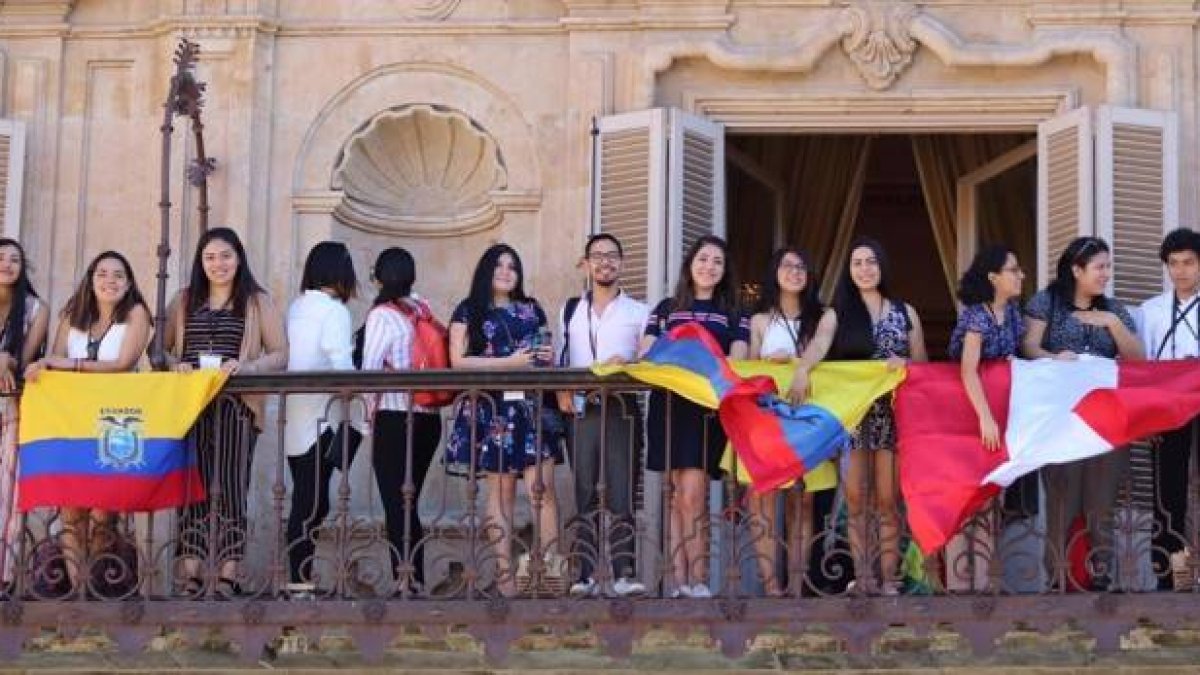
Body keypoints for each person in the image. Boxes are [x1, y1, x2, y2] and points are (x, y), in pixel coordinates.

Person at [787, 237, 928, 596]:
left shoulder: (905, 311)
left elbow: (923, 362)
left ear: (881, 267)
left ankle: (890, 580)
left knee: (887, 501)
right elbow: (818, 346)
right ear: (849, 272)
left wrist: (907, 364)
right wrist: (803, 370)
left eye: (870, 262)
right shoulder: (837, 313)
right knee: (855, 500)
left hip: (893, 416)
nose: (864, 269)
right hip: (852, 416)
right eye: (857, 263)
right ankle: (864, 578)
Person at [165, 226, 287, 597]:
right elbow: (161, 350)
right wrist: (176, 366)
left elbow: (280, 352)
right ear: (201, 263)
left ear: (239, 259)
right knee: (191, 488)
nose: (218, 264)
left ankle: (228, 573)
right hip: (191, 408)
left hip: (237, 407)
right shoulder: (184, 300)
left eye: (226, 256)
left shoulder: (256, 301)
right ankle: (191, 572)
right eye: (210, 257)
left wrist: (246, 368)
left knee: (233, 488)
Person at [25, 251, 151, 594]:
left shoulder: (137, 315)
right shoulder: (73, 314)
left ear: (128, 284)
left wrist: (69, 364)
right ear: (91, 279)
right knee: (70, 512)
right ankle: (75, 592)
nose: (110, 281)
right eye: (102, 274)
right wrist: (44, 367)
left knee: (101, 513)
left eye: (118, 275)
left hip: (116, 424)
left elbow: (123, 364)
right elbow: (54, 358)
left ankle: (93, 588)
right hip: (73, 422)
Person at [1022, 235, 1143, 591]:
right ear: (1077, 270)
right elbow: (1029, 346)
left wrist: (1112, 324)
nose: (1106, 274)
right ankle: (1058, 577)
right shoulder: (1048, 302)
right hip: (1061, 419)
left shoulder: (1114, 310)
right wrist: (1054, 358)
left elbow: (1138, 360)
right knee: (1063, 498)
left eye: (1108, 266)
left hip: (1106, 421)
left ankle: (1102, 575)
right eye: (1099, 267)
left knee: (1101, 500)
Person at [445, 244, 560, 598]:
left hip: (533, 406)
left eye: (513, 266)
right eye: (499, 265)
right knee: (501, 491)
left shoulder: (531, 308)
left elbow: (545, 351)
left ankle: (548, 573)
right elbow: (458, 362)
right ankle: (506, 575)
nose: (507, 271)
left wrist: (544, 356)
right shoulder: (469, 310)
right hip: (492, 410)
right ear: (486, 270)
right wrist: (510, 363)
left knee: (542, 489)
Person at [723, 246, 835, 597]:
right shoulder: (759, 320)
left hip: (810, 422)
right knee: (763, 501)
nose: (795, 271)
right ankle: (772, 588)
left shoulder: (825, 315)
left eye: (802, 266)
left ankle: (797, 587)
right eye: (787, 265)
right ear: (775, 273)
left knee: (801, 503)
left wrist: (799, 366)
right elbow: (750, 370)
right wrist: (767, 364)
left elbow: (821, 345)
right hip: (766, 422)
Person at [642, 235, 748, 599]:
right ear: (690, 264)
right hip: (669, 404)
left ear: (724, 270)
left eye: (717, 262)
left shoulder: (734, 311)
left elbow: (737, 358)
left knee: (694, 494)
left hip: (705, 408)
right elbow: (646, 351)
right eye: (703, 259)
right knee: (673, 495)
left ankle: (699, 581)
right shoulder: (666, 308)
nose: (709, 267)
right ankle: (677, 581)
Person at [557, 234, 649, 599]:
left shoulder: (639, 311)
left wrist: (627, 363)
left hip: (621, 407)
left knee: (622, 488)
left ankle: (625, 572)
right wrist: (562, 390)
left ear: (622, 264)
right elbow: (560, 357)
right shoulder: (569, 310)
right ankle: (585, 573)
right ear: (586, 264)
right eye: (598, 256)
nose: (605, 262)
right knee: (583, 490)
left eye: (612, 256)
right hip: (579, 407)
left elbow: (651, 357)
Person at [361, 247, 445, 595]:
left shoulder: (382, 315)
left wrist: (367, 421)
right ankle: (414, 576)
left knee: (397, 502)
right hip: (429, 417)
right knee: (408, 500)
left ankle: (407, 579)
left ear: (379, 278)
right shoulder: (422, 309)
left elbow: (369, 370)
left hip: (395, 418)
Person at [944, 244, 1025, 592]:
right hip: (970, 417)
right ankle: (959, 590)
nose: (1020, 275)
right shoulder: (977, 315)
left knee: (991, 500)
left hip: (998, 416)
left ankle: (985, 587)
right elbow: (967, 370)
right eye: (1013, 269)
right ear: (994, 277)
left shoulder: (1015, 314)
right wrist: (986, 419)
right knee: (963, 503)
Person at [283, 241, 359, 594]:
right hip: (322, 417)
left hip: (294, 418)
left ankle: (299, 577)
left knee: (304, 499)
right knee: (313, 504)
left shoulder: (297, 306)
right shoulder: (333, 311)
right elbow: (340, 362)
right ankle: (299, 581)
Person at [1136, 227, 1200, 590]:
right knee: (1167, 490)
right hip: (1167, 405)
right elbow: (1140, 366)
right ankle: (1168, 573)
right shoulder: (1150, 310)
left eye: (1189, 263)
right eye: (1173, 263)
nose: (1181, 271)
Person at [0, 239, 49, 594]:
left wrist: (8, 358)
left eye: (15, 259)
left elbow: (27, 359)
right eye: (1, 257)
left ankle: (3, 575)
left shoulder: (35, 309)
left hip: (12, 410)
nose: (7, 263)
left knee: (7, 495)